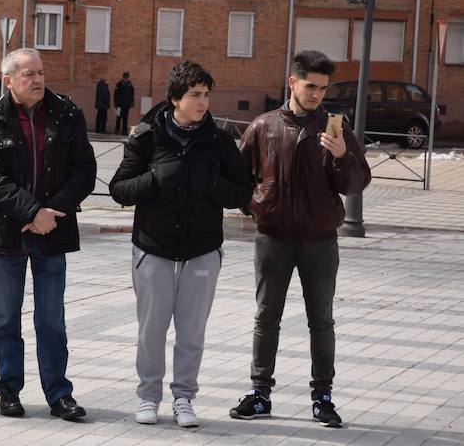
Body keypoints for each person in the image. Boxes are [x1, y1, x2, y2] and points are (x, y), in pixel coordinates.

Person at [228, 50, 371, 428]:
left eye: (323, 89)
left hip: (320, 241)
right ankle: (260, 395)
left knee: (321, 321)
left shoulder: (335, 129)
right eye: (311, 86)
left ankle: (322, 397)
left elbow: (357, 183)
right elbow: (236, 178)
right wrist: (256, 205)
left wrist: (342, 155)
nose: (317, 95)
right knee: (266, 318)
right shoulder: (263, 126)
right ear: (293, 83)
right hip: (272, 238)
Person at [110, 61, 253, 428]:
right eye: (194, 95)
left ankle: (184, 398)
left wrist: (214, 186)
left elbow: (243, 192)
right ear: (176, 98)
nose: (203, 102)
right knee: (151, 331)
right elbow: (119, 189)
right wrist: (155, 179)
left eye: (206, 95)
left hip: (202, 250)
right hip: (152, 248)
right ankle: (148, 398)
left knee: (191, 332)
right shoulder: (147, 136)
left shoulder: (220, 142)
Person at [0, 48, 96, 421]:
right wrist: (31, 212)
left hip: (53, 231)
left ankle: (59, 394)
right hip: (9, 231)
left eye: (41, 72)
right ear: (9, 80)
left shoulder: (66, 113)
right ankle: (9, 390)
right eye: (29, 74)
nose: (38, 79)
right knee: (6, 318)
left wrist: (49, 214)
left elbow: (84, 171)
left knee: (51, 319)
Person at [114, 72, 135, 136]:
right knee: (118, 118)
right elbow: (115, 95)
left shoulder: (130, 85)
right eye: (125, 78)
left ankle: (124, 132)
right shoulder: (119, 84)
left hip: (126, 105)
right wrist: (116, 104)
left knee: (125, 119)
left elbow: (132, 95)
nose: (126, 79)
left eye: (127, 78)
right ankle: (117, 131)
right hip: (119, 105)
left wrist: (131, 103)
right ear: (123, 77)